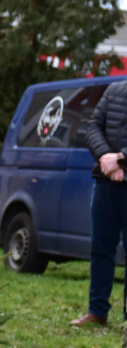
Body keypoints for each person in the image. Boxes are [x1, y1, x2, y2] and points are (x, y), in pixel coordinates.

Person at [70, 79, 127, 327]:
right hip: (106, 181)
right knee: (101, 248)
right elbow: (92, 126)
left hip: (119, 171)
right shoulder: (114, 90)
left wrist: (122, 160)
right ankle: (97, 312)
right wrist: (106, 158)